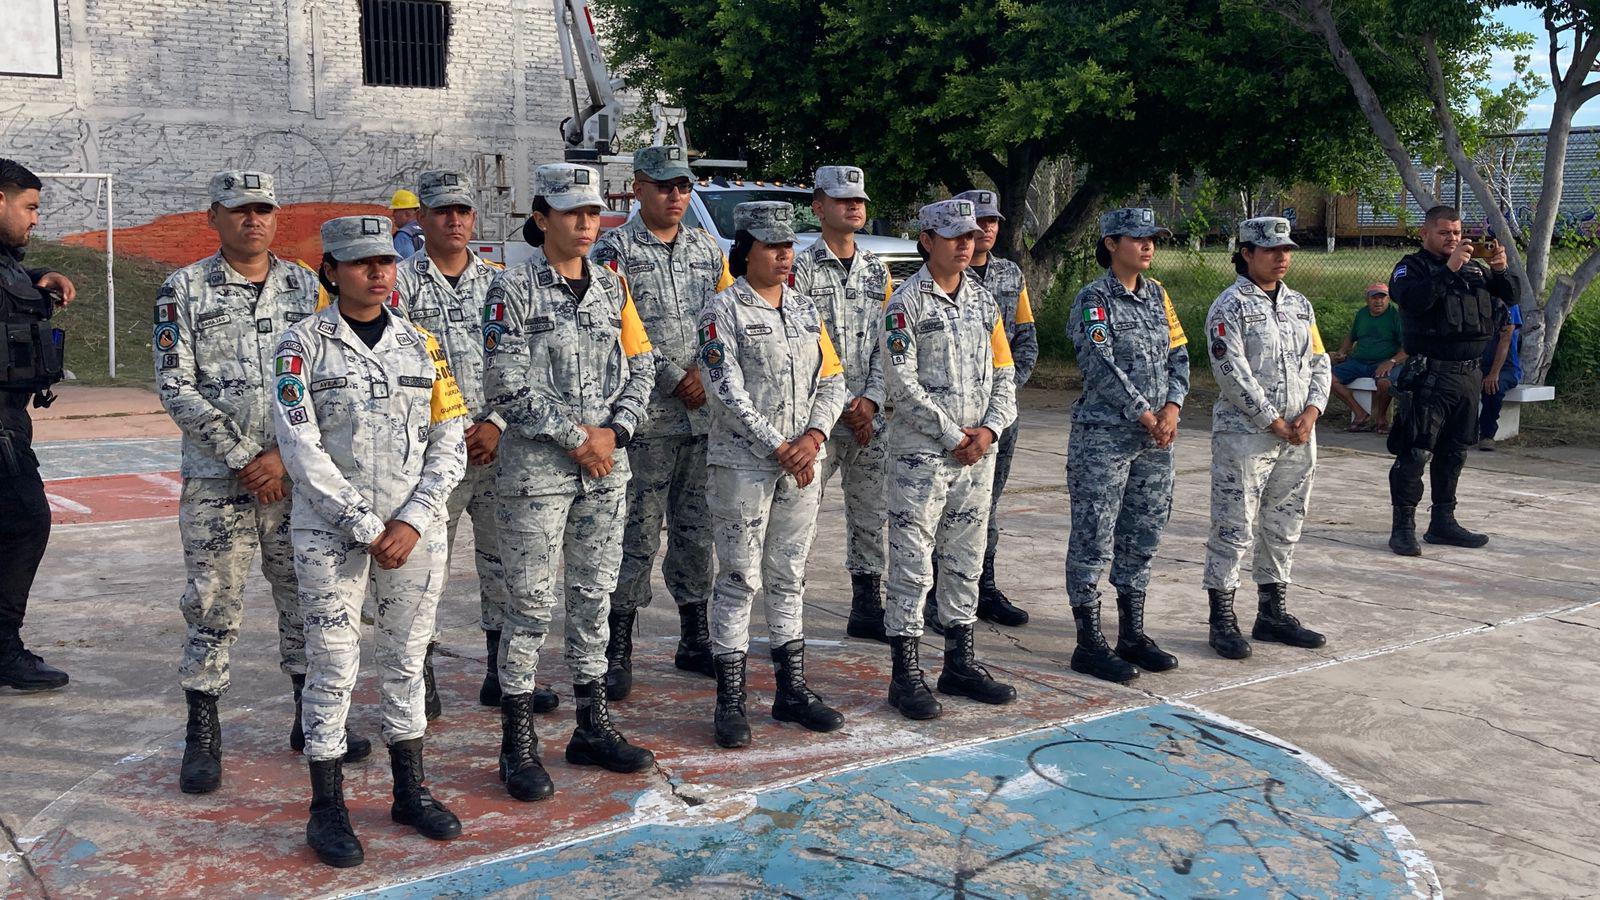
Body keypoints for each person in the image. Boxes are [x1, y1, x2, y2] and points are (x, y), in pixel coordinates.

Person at [155, 170, 369, 794]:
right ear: (214, 217)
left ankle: (312, 718)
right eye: (240, 210)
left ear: (278, 219)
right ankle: (203, 730)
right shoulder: (184, 289)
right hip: (218, 483)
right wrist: (247, 456)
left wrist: (282, 455)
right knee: (212, 607)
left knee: (306, 601)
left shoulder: (307, 286)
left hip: (295, 481)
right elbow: (175, 385)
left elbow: (331, 377)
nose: (254, 220)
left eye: (264, 211)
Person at [273, 215, 468, 868]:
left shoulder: (423, 345)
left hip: (415, 533)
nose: (379, 272)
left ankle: (409, 791)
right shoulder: (299, 346)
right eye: (361, 263)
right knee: (333, 664)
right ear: (331, 270)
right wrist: (366, 524)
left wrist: (412, 519)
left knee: (407, 660)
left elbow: (450, 437)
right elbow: (300, 447)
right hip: (333, 533)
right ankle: (326, 809)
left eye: (385, 260)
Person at [483, 163, 657, 800]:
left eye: (591, 213)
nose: (586, 224)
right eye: (570, 213)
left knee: (594, 598)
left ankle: (592, 726)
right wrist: (576, 438)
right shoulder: (511, 292)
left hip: (607, 469)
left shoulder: (614, 288)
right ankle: (518, 743)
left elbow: (642, 365)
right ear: (540, 218)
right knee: (527, 605)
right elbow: (506, 384)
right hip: (537, 472)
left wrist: (617, 432)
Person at [393, 170, 559, 719]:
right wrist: (447, 431)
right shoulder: (399, 284)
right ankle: (419, 674)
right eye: (442, 211)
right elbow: (392, 366)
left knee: (506, 565)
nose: (455, 220)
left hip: (496, 448)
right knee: (423, 573)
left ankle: (502, 673)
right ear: (421, 217)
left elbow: (528, 362)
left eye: (463, 210)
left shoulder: (500, 283)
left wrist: (496, 423)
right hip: (428, 455)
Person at [698, 201, 849, 748]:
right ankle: (731, 701)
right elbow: (725, 391)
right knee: (739, 578)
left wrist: (812, 438)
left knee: (789, 575)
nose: (785, 255)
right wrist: (779, 443)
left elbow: (832, 378)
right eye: (771, 246)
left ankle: (791, 690)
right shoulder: (723, 311)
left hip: (801, 462)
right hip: (743, 465)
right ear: (745, 251)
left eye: (789, 245)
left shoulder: (807, 310)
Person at [590, 145, 732, 700]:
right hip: (646, 417)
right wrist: (675, 375)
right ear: (640, 187)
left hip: (702, 419)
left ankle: (693, 637)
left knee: (697, 532)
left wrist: (705, 368)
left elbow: (724, 316)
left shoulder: (706, 247)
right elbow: (617, 327)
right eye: (665, 185)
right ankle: (617, 645)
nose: (676, 195)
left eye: (684, 186)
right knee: (636, 534)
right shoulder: (614, 250)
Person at [880, 198, 1018, 720]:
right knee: (914, 564)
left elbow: (1003, 372)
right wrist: (950, 432)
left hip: (975, 456)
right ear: (926, 241)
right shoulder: (904, 305)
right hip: (923, 456)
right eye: (953, 235)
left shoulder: (984, 303)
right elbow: (901, 382)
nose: (967, 242)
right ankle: (906, 674)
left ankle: (959, 662)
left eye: (971, 234)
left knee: (964, 557)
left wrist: (988, 429)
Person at [1064, 208, 1189, 684]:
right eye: (1137, 238)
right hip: (1105, 437)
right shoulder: (1094, 299)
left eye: (1152, 238)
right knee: (1094, 536)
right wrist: (1145, 412)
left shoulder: (1158, 294)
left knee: (1143, 534)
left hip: (1156, 439)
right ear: (1112, 243)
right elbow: (1099, 364)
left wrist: (1173, 407)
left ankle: (1131, 633)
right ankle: (1089, 642)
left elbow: (1179, 351)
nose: (1148, 246)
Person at [1202, 217, 1330, 660]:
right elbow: (1230, 370)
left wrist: (1312, 412)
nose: (1282, 257)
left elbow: (1319, 360)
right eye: (1271, 250)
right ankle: (1223, 619)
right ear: (1246, 253)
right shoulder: (1229, 307)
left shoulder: (1300, 305)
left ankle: (1272, 613)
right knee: (1234, 526)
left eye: (1287, 249)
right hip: (1246, 436)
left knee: (1284, 524)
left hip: (1299, 435)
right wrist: (1272, 420)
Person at [792, 165, 894, 643]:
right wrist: (834, 404)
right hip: (817, 414)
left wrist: (872, 398)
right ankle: (788, 602)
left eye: (860, 200)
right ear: (818, 207)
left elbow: (888, 343)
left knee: (871, 511)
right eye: (842, 200)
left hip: (867, 417)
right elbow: (796, 343)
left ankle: (867, 603)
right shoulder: (797, 269)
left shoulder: (878, 271)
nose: (854, 207)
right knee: (799, 510)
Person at [1386, 206, 1519, 556]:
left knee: (1455, 452)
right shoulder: (1410, 267)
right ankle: (1403, 527)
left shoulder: (1474, 266)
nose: (1454, 239)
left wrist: (1501, 269)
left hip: (1468, 374)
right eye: (1445, 232)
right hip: (1430, 373)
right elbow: (1413, 300)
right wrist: (1449, 269)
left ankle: (1443, 522)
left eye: (1458, 233)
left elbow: (1512, 295)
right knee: (1415, 451)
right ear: (1425, 233)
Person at [0, 158, 73, 693]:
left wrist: (37, 275)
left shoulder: (9, 261)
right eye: (29, 207)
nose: (35, 219)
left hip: (10, 418)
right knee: (26, 521)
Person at [953, 188, 1037, 629]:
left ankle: (982, 585)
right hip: (954, 415)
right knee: (944, 506)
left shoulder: (1010, 276)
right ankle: (936, 591)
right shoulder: (947, 274)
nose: (987, 228)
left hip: (999, 415)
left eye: (993, 221)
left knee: (989, 502)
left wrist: (1002, 399)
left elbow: (1026, 340)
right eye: (978, 221)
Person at [1328, 283, 1405, 432]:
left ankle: (1381, 418)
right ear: (1367, 300)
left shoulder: (1395, 316)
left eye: (1382, 297)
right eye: (1374, 298)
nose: (1378, 301)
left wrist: (1392, 361)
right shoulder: (1362, 314)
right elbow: (1351, 337)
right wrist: (1342, 352)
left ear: (1389, 299)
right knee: (1327, 378)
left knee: (1384, 383)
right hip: (1358, 361)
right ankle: (1360, 413)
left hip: (1383, 363)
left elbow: (1407, 348)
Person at [1478, 296, 1522, 451]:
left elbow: (1505, 339)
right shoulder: (1475, 300)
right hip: (1478, 363)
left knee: (1493, 387)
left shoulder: (1510, 305)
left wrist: (1493, 373)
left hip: (1506, 367)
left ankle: (1487, 434)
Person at [390, 189, 425, 259]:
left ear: (407, 214)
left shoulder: (403, 236)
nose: (393, 215)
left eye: (395, 211)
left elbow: (402, 266)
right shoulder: (428, 229)